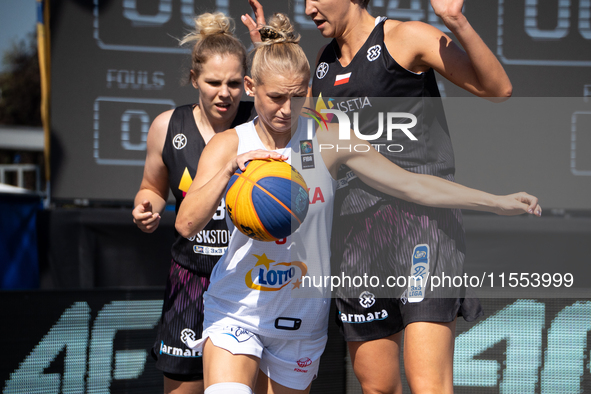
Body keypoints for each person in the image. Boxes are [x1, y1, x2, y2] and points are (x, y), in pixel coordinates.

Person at [175, 14, 540, 394]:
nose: (286, 108)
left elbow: (411, 184)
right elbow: (186, 225)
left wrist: (495, 201)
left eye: (298, 95)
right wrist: (230, 171)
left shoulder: (327, 135)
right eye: (275, 97)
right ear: (252, 87)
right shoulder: (230, 144)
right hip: (239, 304)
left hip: (302, 311)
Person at [131, 12, 254, 394]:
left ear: (247, 83)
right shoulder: (167, 126)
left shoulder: (260, 124)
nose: (225, 93)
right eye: (214, 82)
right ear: (194, 79)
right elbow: (151, 186)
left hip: (250, 280)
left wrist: (269, 43)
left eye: (235, 83)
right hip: (191, 280)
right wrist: (146, 205)